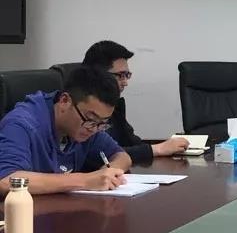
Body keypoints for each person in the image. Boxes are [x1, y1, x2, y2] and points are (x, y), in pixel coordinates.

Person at [0, 65, 130, 195]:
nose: (94, 129)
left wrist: (108, 174)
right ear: (64, 101)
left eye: (102, 123)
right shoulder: (22, 124)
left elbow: (122, 156)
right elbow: (6, 180)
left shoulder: (90, 126)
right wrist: (85, 181)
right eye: (91, 119)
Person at [83, 40, 189, 164]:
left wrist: (164, 147)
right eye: (120, 75)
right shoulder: (82, 112)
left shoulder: (114, 106)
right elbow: (99, 154)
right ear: (99, 75)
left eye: (127, 75)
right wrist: (157, 149)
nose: (125, 83)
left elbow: (131, 142)